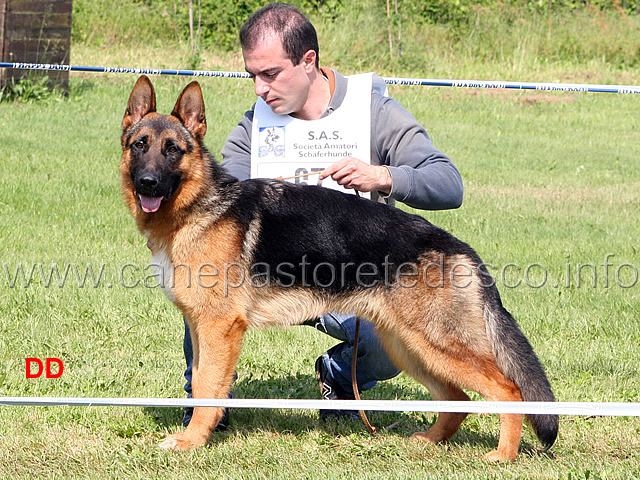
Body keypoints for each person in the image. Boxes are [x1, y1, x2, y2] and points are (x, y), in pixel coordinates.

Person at [182, 2, 464, 428]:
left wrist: (383, 176)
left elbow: (448, 183)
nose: (260, 89)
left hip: (354, 279)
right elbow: (218, 207)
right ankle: (205, 407)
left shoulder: (374, 113)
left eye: (271, 74)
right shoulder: (252, 127)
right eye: (252, 76)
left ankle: (338, 375)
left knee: (386, 344)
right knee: (207, 280)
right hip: (272, 280)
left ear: (308, 61)